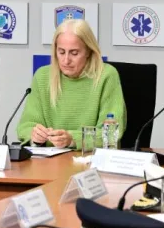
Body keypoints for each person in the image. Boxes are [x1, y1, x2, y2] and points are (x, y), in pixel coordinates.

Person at [17, 19, 126, 149]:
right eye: (61, 52)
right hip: (50, 158)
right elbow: (25, 126)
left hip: (91, 157)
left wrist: (72, 139)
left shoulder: (106, 75)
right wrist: (34, 135)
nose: (66, 60)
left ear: (88, 51)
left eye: (74, 53)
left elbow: (110, 133)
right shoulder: (42, 76)